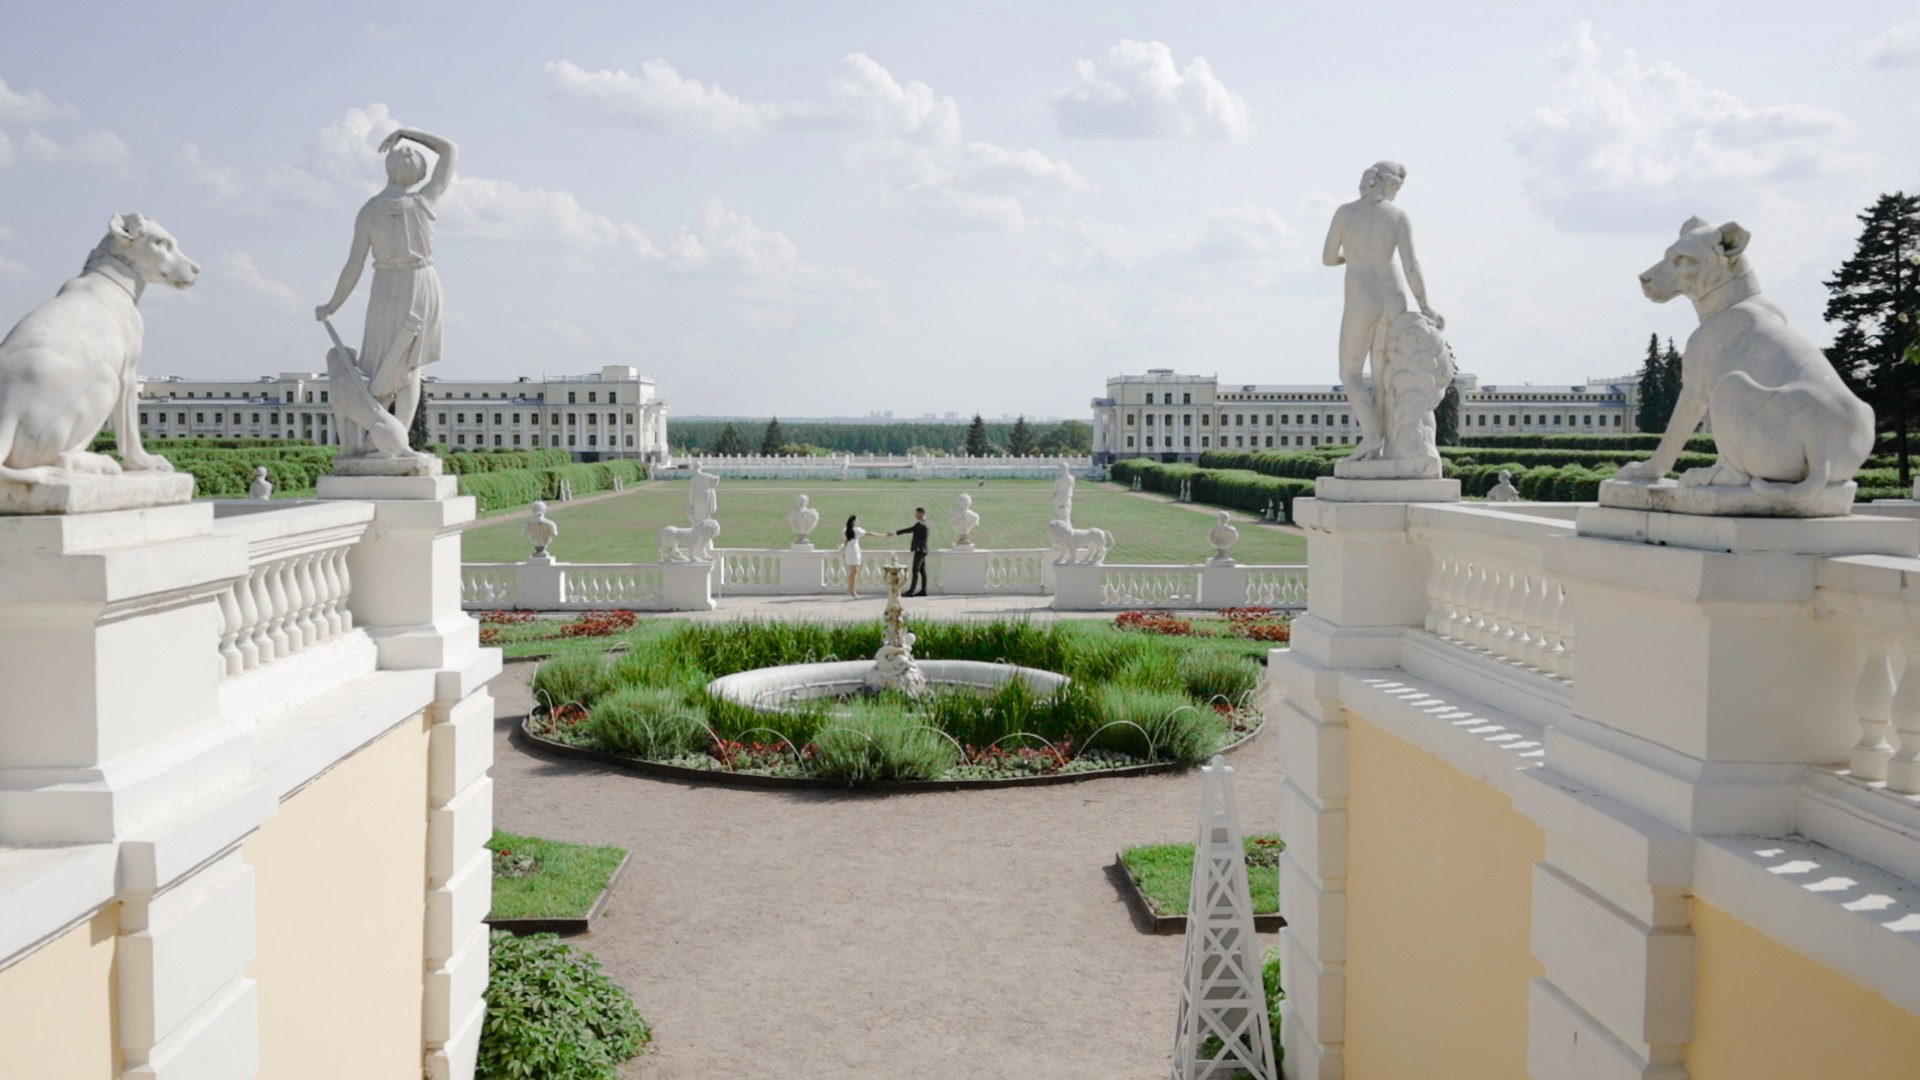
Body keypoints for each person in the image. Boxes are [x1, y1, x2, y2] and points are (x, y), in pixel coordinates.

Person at [316, 127, 458, 455]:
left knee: (380, 365)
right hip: (421, 282)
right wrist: (409, 134)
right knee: (409, 368)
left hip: (386, 285)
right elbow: (450, 148)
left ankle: (384, 441)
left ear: (388, 169)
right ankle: (394, 439)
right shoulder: (425, 200)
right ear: (420, 172)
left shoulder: (369, 210)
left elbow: (353, 266)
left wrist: (332, 305)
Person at [1322, 160, 1442, 462]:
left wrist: (1352, 257)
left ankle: (1372, 436)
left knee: (1350, 374)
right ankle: (1391, 447)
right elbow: (1411, 266)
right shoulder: (1398, 216)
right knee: (1385, 377)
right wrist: (1425, 306)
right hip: (1395, 295)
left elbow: (1327, 258)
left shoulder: (1346, 213)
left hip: (1362, 296)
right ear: (1391, 184)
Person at [886, 507, 931, 596]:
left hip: (920, 550)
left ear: (922, 513)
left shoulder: (920, 524)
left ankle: (911, 591)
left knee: (915, 571)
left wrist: (894, 533)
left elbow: (908, 530)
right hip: (924, 549)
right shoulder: (927, 523)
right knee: (922, 571)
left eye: (917, 513)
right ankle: (923, 591)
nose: (916, 515)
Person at [840, 515, 870, 597]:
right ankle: (853, 591)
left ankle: (850, 590)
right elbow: (868, 533)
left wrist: (843, 550)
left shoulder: (845, 530)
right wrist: (882, 535)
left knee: (852, 572)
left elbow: (845, 542)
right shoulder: (856, 530)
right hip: (854, 551)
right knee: (854, 572)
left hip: (849, 551)